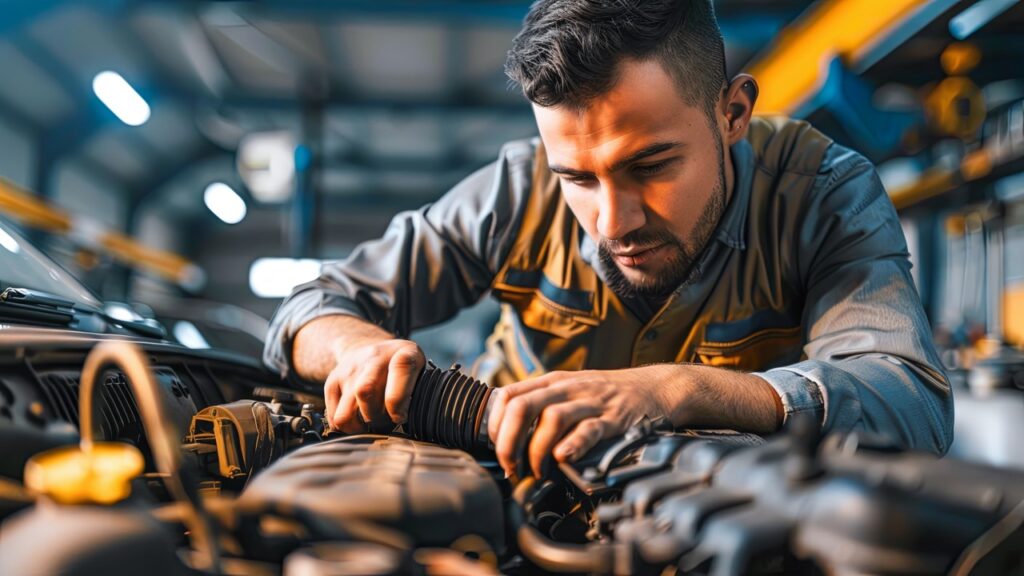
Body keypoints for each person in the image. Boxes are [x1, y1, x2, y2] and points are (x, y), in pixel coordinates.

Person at [264, 0, 953, 479]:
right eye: (578, 179)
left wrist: (678, 390)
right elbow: (312, 306)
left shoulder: (822, 193)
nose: (613, 221)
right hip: (507, 491)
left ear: (733, 112)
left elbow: (909, 399)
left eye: (649, 166)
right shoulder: (516, 191)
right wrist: (358, 349)